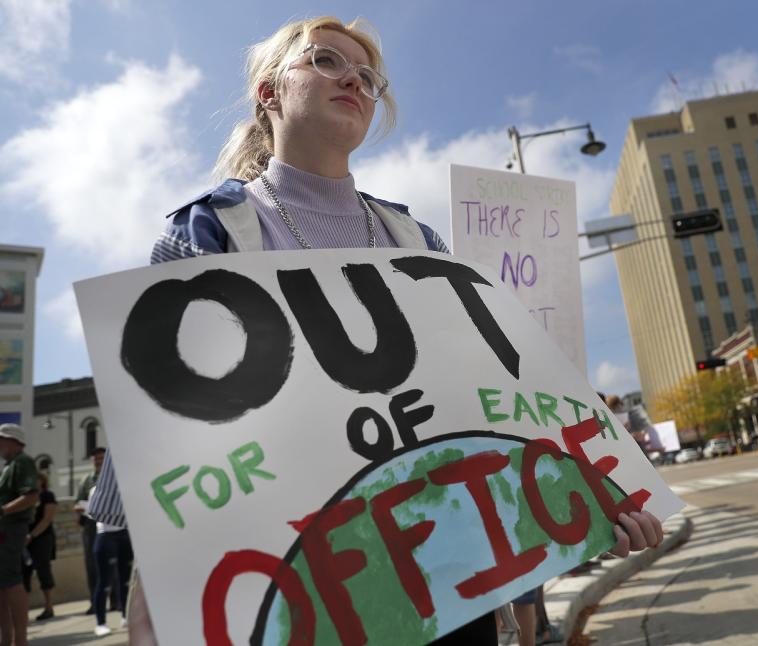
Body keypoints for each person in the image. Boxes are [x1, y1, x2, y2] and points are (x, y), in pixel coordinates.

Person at [88, 15, 664, 644]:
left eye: (368, 77)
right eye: (326, 62)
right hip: (305, 591)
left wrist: (588, 503)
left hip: (448, 576)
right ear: (269, 93)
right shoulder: (207, 235)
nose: (355, 83)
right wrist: (154, 588)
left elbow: (491, 401)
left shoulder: (419, 242)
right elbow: (157, 441)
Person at [0, 424, 39, 646]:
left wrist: (3, 510)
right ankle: (7, 639)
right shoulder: (11, 465)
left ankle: (19, 641)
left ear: (13, 441)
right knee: (3, 582)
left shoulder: (22, 462)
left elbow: (31, 495)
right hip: (6, 528)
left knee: (11, 580)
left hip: (11, 528)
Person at [75, 447, 116, 615]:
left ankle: (117, 601)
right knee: (92, 566)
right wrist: (82, 508)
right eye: (96, 459)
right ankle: (95, 603)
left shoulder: (115, 477)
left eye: (101, 458)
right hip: (91, 527)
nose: (98, 461)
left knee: (114, 563)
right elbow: (78, 503)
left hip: (112, 525)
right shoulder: (86, 480)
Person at [90, 485, 134, 638]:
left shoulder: (123, 486)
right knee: (104, 582)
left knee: (126, 580)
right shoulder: (96, 489)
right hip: (106, 535)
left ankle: (126, 616)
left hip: (123, 533)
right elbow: (95, 513)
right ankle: (100, 623)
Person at [23, 472, 57, 621]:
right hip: (25, 541)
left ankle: (49, 607)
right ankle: (22, 610)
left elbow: (47, 519)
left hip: (42, 539)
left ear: (42, 481)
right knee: (23, 574)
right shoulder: (26, 497)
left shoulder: (48, 496)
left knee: (44, 571)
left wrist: (32, 535)